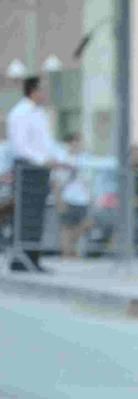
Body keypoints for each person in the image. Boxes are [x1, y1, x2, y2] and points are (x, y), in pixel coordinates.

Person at [6, 76, 60, 271]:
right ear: (33, 91)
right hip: (27, 169)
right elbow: (20, 146)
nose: (45, 94)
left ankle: (33, 258)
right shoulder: (20, 113)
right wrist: (42, 160)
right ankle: (20, 259)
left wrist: (54, 160)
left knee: (37, 215)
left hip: (40, 170)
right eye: (42, 90)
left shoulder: (40, 114)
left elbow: (45, 143)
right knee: (25, 215)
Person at [54, 134, 93, 258]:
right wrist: (58, 199)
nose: (79, 145)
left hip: (83, 199)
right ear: (71, 143)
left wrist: (91, 197)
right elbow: (56, 181)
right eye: (76, 142)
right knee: (66, 227)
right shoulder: (62, 158)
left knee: (85, 224)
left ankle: (70, 248)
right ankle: (67, 253)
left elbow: (89, 181)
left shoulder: (85, 159)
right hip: (67, 197)